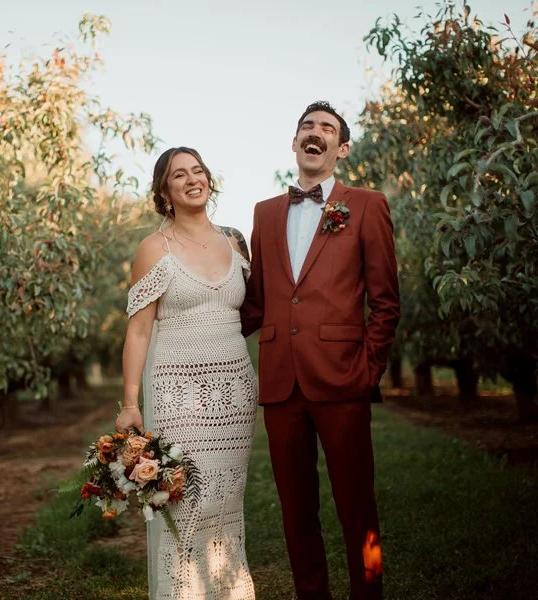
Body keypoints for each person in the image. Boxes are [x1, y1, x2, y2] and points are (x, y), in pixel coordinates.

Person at [241, 101, 400, 600]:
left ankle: (368, 593)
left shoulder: (367, 204)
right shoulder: (265, 213)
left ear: (342, 147)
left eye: (327, 129)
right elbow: (258, 302)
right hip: (281, 383)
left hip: (343, 378)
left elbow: (385, 302)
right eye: (306, 126)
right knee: (295, 507)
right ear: (294, 143)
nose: (315, 133)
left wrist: (367, 371)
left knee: (358, 505)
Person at [116, 147, 257, 600]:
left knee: (226, 503)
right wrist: (131, 404)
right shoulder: (154, 249)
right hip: (179, 394)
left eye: (199, 170)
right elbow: (138, 333)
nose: (193, 179)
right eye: (180, 174)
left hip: (235, 394)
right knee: (187, 501)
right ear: (165, 191)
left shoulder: (235, 242)